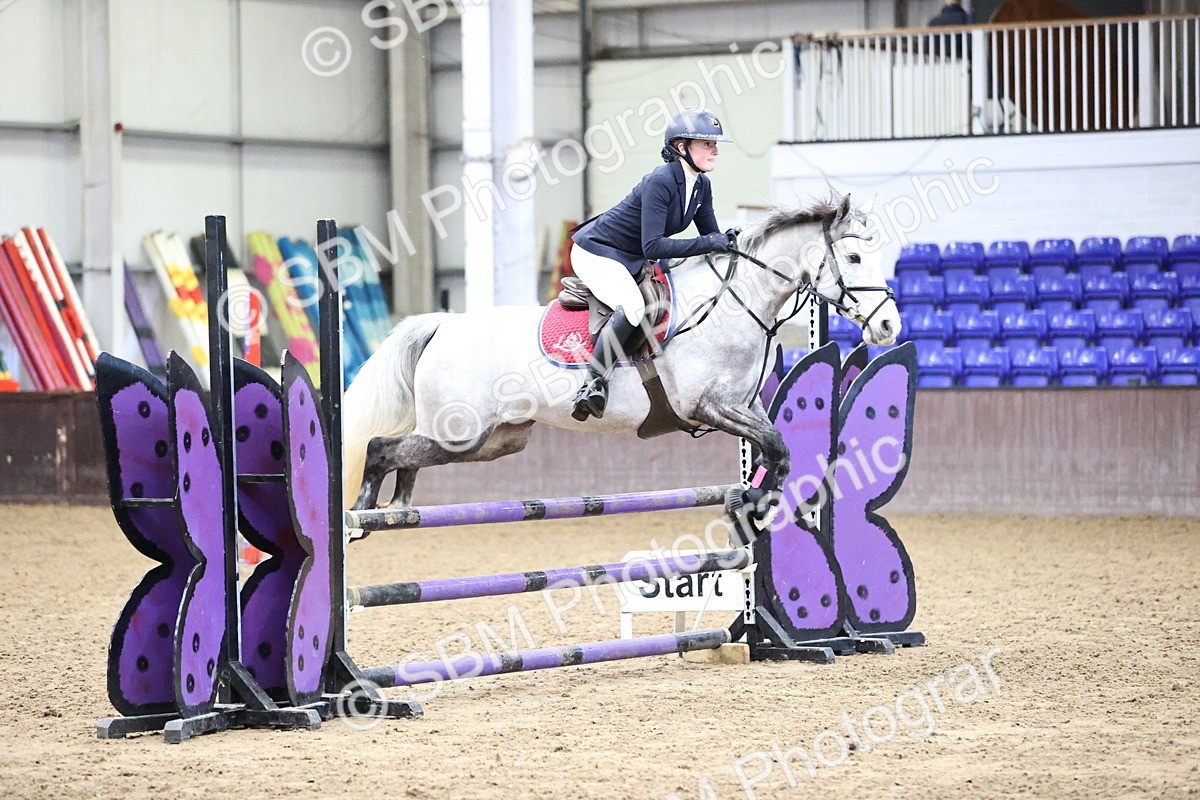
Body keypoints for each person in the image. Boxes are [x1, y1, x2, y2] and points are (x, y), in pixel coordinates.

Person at [569, 106, 734, 422]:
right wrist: (712, 242)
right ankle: (593, 385)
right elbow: (654, 246)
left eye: (714, 144)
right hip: (597, 252)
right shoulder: (660, 181)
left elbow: (711, 237)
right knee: (633, 307)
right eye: (707, 144)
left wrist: (733, 245)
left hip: (630, 257)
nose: (715, 150)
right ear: (681, 147)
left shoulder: (701, 186)